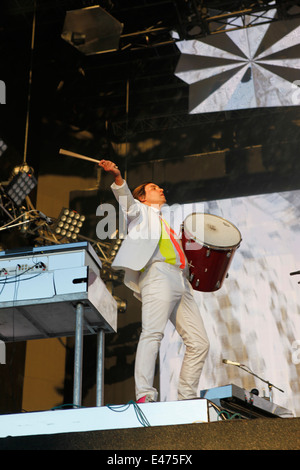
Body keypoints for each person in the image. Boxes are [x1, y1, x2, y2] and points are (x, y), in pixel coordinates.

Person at [99, 159, 209, 403]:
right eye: (154, 188)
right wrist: (118, 176)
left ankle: (187, 397)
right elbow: (126, 201)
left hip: (180, 280)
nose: (161, 190)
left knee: (200, 343)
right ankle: (145, 395)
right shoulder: (139, 213)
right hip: (158, 275)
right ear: (143, 198)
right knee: (152, 334)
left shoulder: (165, 224)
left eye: (160, 187)